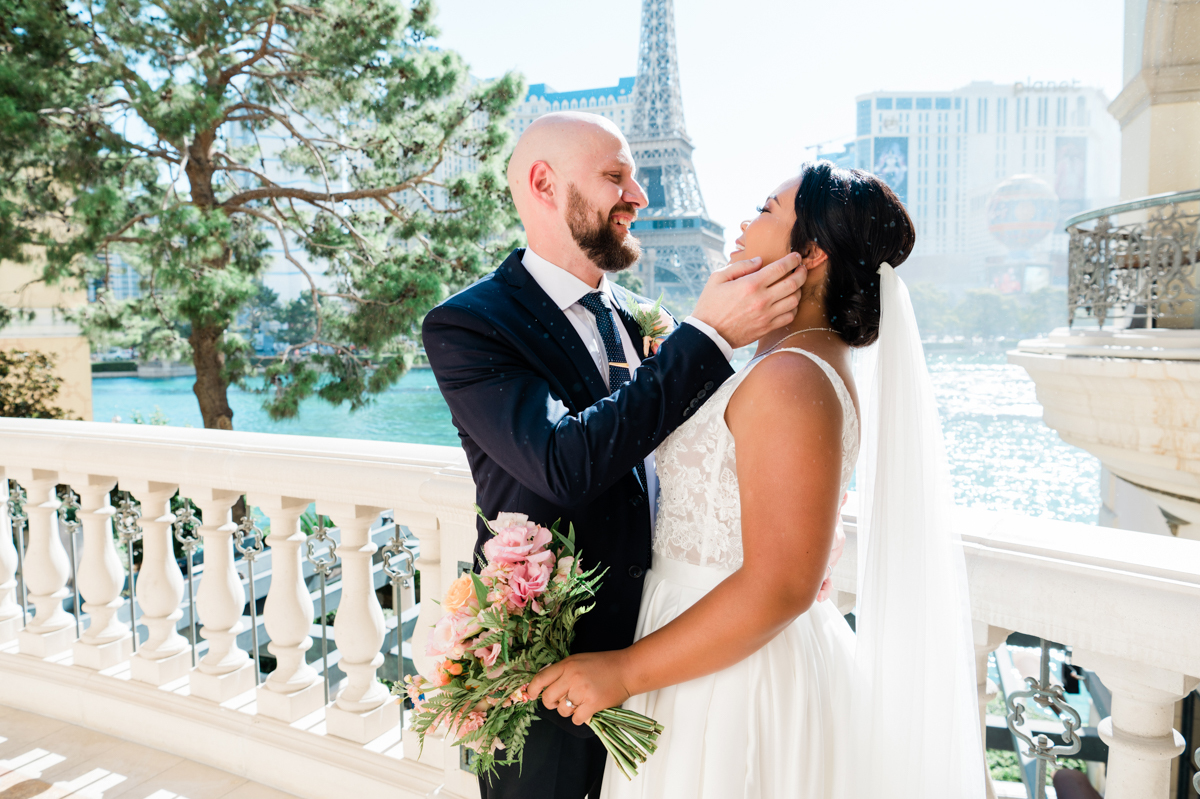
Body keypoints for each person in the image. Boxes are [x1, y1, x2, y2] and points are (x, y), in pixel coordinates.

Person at [528, 162, 987, 799]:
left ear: (815, 249)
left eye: (767, 210)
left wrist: (625, 672)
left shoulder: (791, 376)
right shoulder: (790, 361)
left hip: (730, 673)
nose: (745, 222)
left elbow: (779, 586)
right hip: (705, 644)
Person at [421, 112, 816, 799]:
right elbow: (562, 462)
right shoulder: (471, 324)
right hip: (551, 684)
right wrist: (709, 336)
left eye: (635, 174)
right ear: (543, 183)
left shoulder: (643, 319)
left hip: (671, 665)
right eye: (615, 176)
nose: (640, 194)